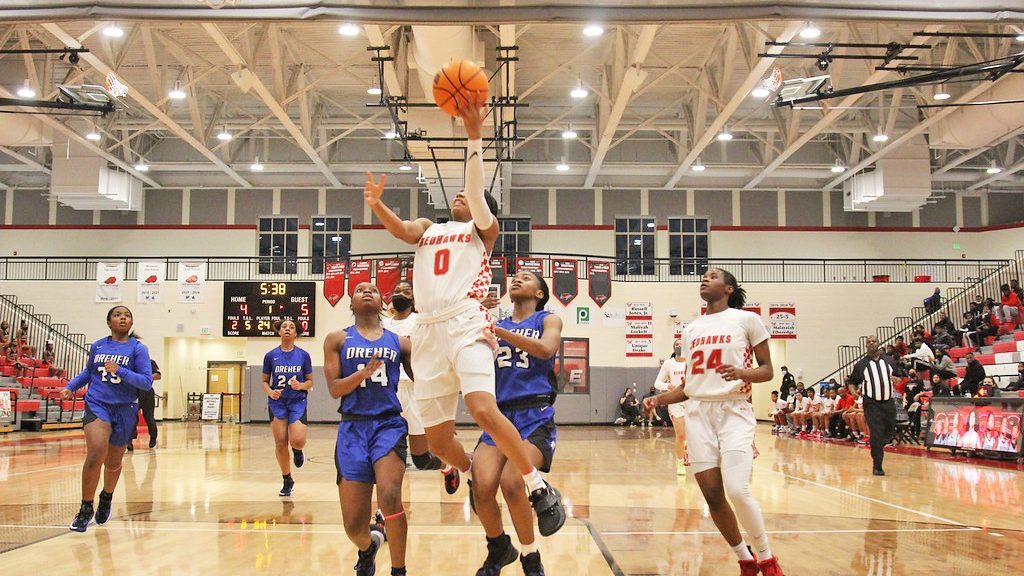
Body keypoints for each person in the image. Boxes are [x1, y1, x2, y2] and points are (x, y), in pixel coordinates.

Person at [363, 90, 565, 535]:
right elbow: (402, 230)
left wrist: (475, 137)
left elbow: (475, 190)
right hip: (429, 329)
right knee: (437, 442)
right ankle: (473, 468)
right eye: (455, 195)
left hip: (466, 320)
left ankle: (537, 486)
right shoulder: (428, 229)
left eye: (467, 196)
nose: (459, 195)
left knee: (481, 408)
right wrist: (377, 206)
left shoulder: (481, 231)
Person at [643, 268, 783, 576]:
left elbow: (767, 370)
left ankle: (766, 558)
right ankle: (745, 559)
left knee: (737, 489)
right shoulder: (691, 330)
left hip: (733, 410)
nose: (705, 279)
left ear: (729, 288)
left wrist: (742, 373)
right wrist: (659, 399)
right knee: (712, 494)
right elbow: (689, 386)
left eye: (713, 276)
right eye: (704, 276)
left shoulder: (747, 320)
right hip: (698, 414)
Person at [471, 270, 561, 576]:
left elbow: (545, 349)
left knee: (512, 482)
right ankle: (498, 546)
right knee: (482, 486)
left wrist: (495, 329)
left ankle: (530, 556)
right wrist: (475, 313)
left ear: (539, 293)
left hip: (535, 413)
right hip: (499, 414)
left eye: (527, 278)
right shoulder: (493, 323)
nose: (518, 279)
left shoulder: (547, 320)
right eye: (516, 277)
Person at [323, 282, 412, 576]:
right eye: (360, 289)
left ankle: (399, 570)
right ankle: (368, 547)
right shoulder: (337, 339)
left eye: (372, 289)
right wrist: (363, 372)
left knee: (389, 495)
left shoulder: (400, 342)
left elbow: (425, 380)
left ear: (382, 302)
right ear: (351, 303)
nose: (366, 291)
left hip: (388, 424)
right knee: (353, 526)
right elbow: (335, 389)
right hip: (352, 427)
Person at [60, 306, 153, 532]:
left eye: (127, 315)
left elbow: (146, 382)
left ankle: (106, 497)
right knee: (95, 454)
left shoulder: (138, 349)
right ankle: (85, 508)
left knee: (113, 463)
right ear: (109, 321)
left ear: (131, 323)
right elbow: (88, 372)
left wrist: (120, 370)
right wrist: (71, 387)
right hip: (97, 404)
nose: (123, 318)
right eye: (118, 315)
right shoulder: (98, 346)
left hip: (125, 408)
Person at [381, 280, 450, 478]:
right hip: (389, 391)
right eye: (397, 290)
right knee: (388, 452)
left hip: (416, 391)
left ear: (413, 299)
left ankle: (447, 466)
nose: (400, 294)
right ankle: (391, 495)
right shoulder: (383, 325)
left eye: (406, 291)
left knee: (422, 459)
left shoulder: (422, 322)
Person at [262, 319, 314, 497]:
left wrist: (301, 385)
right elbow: (264, 382)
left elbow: (310, 382)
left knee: (297, 440)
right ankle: (287, 479)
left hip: (297, 401)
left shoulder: (304, 355)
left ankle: (297, 450)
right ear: (279, 332)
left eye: (291, 327)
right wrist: (270, 392)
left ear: (296, 333)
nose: (287, 329)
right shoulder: (270, 356)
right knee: (280, 442)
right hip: (277, 403)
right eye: (284, 326)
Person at [847, 335, 898, 476]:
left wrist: (897, 379)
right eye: (868, 342)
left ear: (878, 343)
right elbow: (851, 382)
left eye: (873, 341)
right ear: (866, 345)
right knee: (876, 433)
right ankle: (877, 465)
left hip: (888, 402)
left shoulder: (889, 360)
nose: (871, 343)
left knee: (888, 432)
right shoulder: (861, 364)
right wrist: (853, 392)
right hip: (871, 403)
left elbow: (899, 376)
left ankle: (880, 444)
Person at [653, 339, 688, 474]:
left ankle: (688, 452)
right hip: (676, 401)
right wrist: (668, 386)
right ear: (674, 347)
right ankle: (680, 463)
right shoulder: (669, 364)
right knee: (680, 434)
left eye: (681, 343)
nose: (679, 345)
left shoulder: (692, 361)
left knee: (693, 434)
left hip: (691, 400)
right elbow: (657, 383)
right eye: (677, 344)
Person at [128, 358, 161, 451]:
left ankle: (153, 438)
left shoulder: (150, 362)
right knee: (131, 416)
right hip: (134, 392)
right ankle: (129, 440)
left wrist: (146, 378)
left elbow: (158, 375)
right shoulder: (130, 362)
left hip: (147, 391)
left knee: (149, 416)